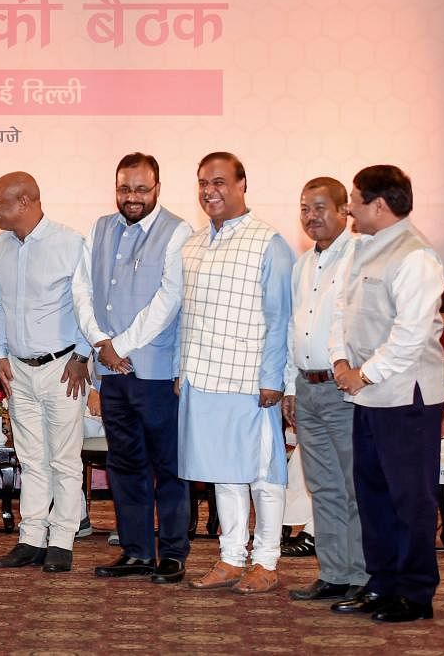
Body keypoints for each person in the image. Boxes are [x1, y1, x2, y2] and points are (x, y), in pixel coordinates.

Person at [328, 165, 444, 623]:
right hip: (368, 393)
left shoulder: (417, 256)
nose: (349, 207)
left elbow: (410, 335)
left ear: (380, 204)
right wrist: (340, 360)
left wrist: (364, 373)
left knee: (409, 498)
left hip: (405, 397)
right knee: (372, 493)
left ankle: (415, 594)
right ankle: (381, 585)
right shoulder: (362, 247)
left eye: (355, 198)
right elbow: (343, 310)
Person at [74, 152, 193, 584]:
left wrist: (116, 345)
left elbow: (167, 300)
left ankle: (174, 552)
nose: (133, 197)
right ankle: (137, 551)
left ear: (157, 188)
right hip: (112, 375)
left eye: (142, 189)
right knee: (125, 465)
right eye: (125, 189)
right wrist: (99, 342)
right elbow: (82, 289)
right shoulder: (100, 229)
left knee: (169, 467)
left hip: (157, 372)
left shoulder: (178, 232)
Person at [178, 152, 295, 594]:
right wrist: (180, 370)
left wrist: (274, 378)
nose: (211, 190)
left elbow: (280, 316)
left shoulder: (269, 243)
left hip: (251, 381)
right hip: (202, 378)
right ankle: (230, 558)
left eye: (221, 182)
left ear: (243, 183)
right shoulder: (192, 243)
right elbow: (184, 315)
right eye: (204, 182)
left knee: (263, 474)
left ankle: (266, 560)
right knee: (223, 472)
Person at [0, 172, 89, 574]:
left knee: (64, 459)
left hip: (64, 369)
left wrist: (82, 356)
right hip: (18, 371)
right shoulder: (1, 247)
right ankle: (31, 538)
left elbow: (86, 305)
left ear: (25, 201)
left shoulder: (69, 243)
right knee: (30, 459)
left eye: (0, 201)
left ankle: (61, 540)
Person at [279, 177, 367, 601]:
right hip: (306, 387)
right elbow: (292, 329)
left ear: (343, 212)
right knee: (323, 486)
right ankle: (334, 572)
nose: (311, 217)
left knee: (355, 487)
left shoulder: (359, 259)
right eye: (304, 209)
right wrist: (288, 386)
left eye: (319, 208)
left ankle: (364, 578)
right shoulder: (302, 264)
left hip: (344, 390)